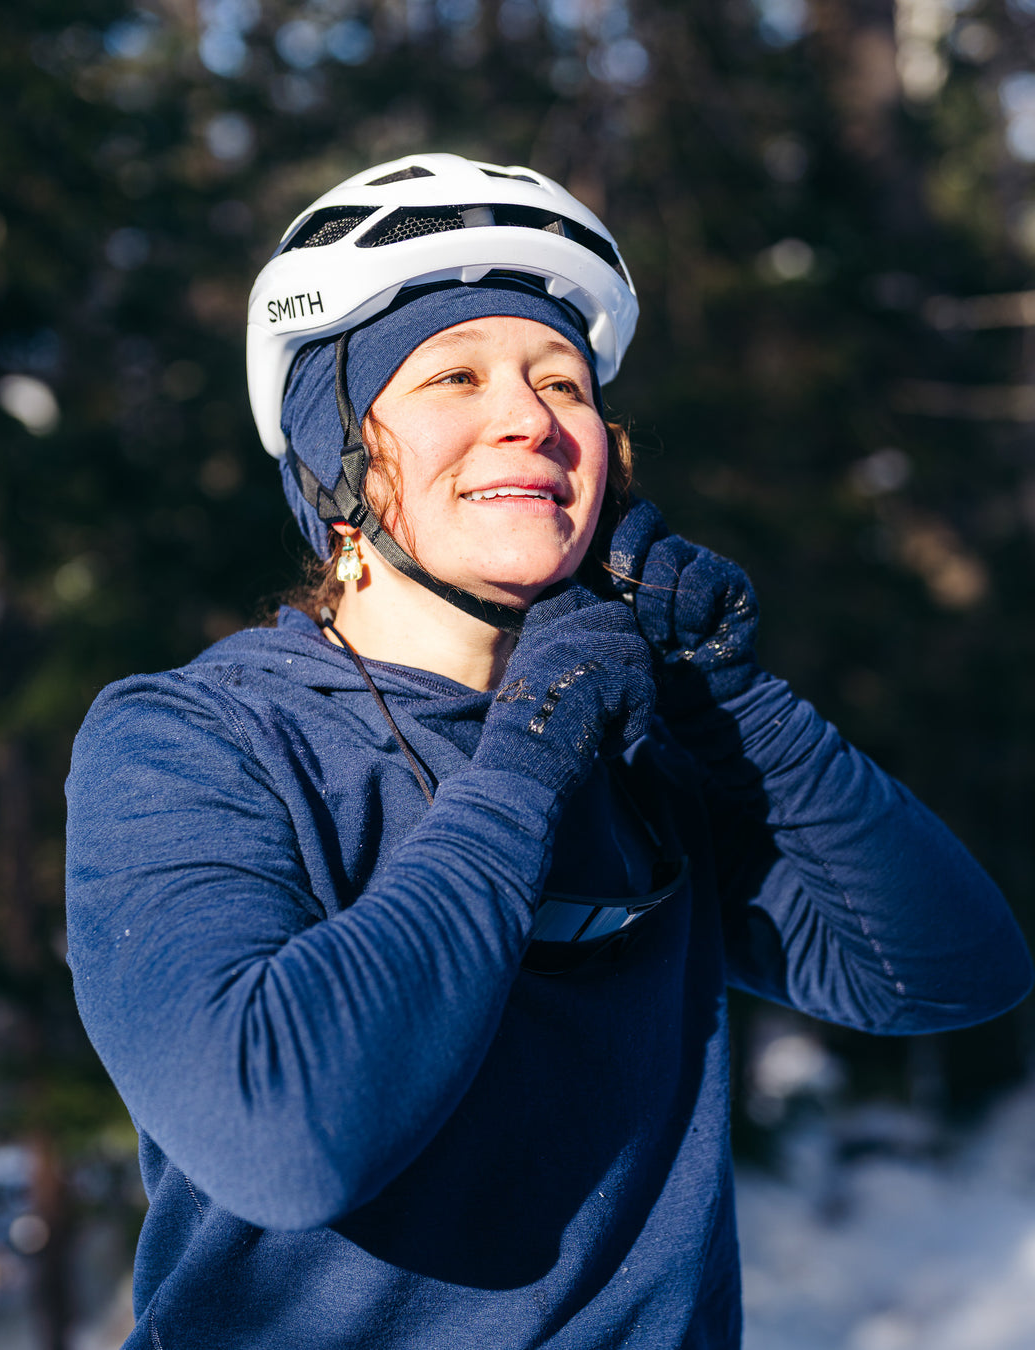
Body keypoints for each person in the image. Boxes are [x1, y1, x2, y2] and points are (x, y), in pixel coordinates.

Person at [65, 153, 1032, 1350]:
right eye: (456, 376)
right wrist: (527, 759)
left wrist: (733, 702)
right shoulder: (196, 741)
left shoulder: (648, 744)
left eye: (563, 384)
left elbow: (947, 971)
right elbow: (281, 1134)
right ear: (334, 464)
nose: (530, 418)